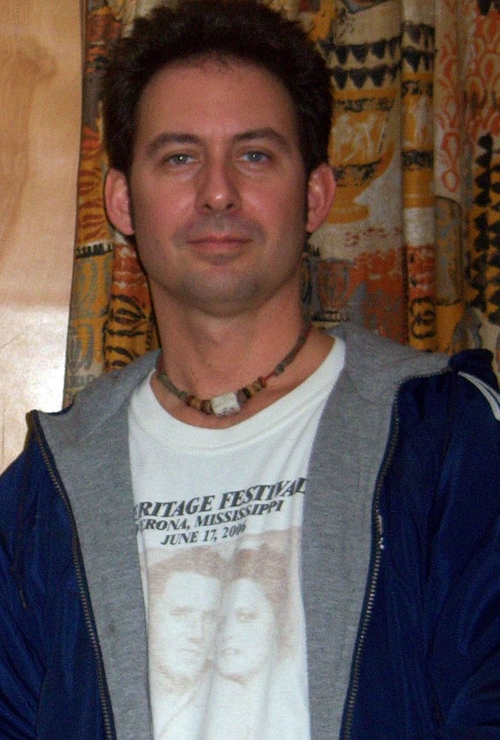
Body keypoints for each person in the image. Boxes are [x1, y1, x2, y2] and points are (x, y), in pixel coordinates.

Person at [0, 0, 499, 738]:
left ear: (316, 196)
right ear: (122, 201)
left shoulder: (445, 434)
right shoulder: (47, 487)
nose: (218, 191)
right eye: (179, 157)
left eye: (255, 155)